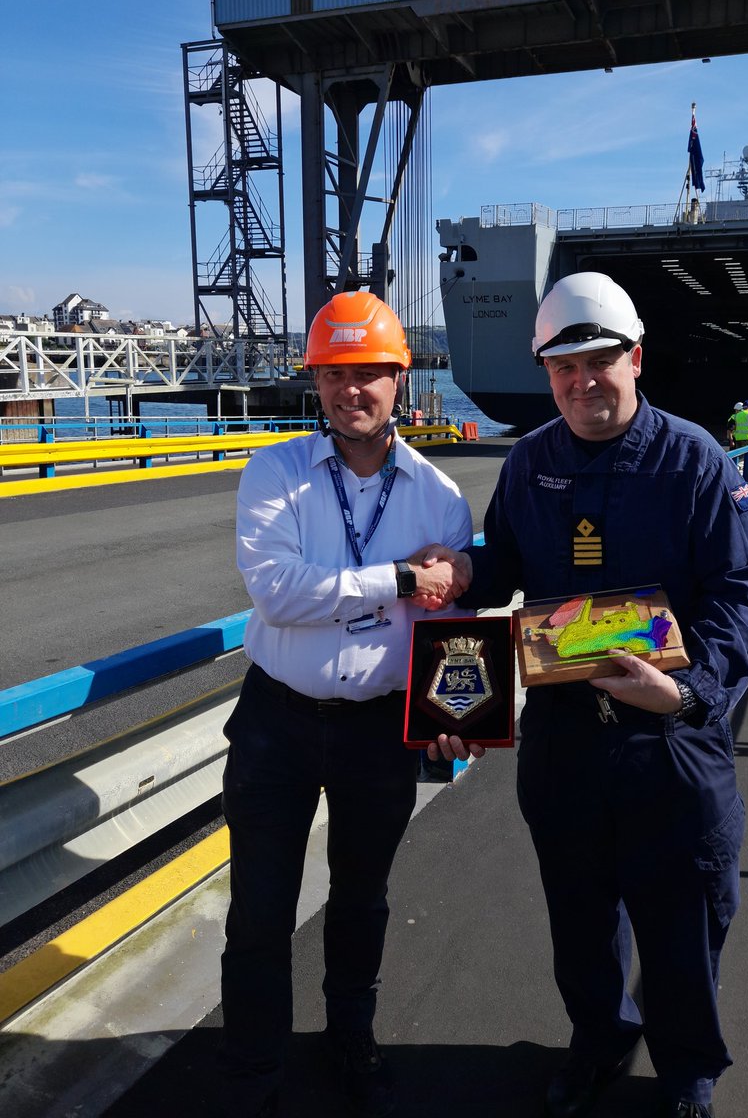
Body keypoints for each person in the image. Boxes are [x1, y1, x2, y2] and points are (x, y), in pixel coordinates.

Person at [426, 271, 748, 1118]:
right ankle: (601, 1039)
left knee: (683, 918)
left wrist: (690, 690)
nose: (583, 380)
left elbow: (747, 589)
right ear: (549, 373)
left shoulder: (694, 459)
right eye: (564, 366)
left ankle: (689, 1067)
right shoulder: (532, 462)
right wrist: (466, 576)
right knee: (580, 917)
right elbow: (504, 564)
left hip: (669, 738)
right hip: (565, 736)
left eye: (601, 360)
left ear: (637, 357)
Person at [218, 290, 478, 1118]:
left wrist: (451, 724)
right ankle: (255, 1067)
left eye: (368, 371)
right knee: (260, 906)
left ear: (401, 377)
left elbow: (457, 629)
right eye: (334, 374)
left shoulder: (440, 499)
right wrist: (399, 578)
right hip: (277, 722)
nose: (350, 390)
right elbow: (277, 593)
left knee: (362, 897)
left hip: (378, 729)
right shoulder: (276, 473)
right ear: (316, 384)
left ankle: (350, 1038)